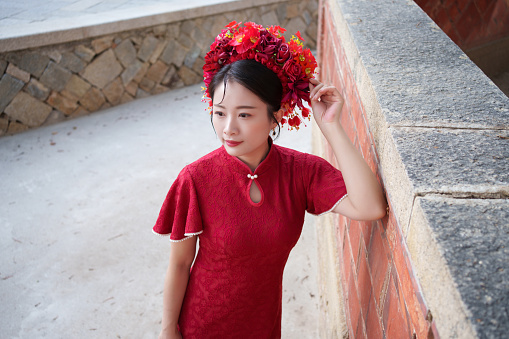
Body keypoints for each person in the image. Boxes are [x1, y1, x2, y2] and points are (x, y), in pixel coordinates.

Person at [153, 21, 387, 339]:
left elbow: (370, 206)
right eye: (220, 113)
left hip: (263, 326)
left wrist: (331, 126)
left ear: (274, 115)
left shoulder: (301, 172)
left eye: (245, 114)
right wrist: (168, 332)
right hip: (202, 325)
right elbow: (180, 265)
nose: (228, 128)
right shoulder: (195, 179)